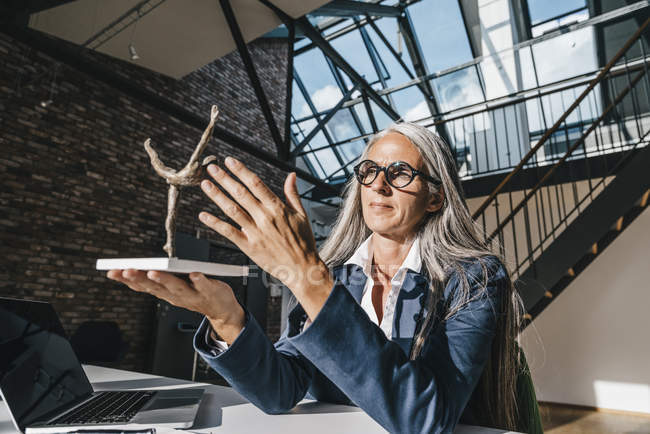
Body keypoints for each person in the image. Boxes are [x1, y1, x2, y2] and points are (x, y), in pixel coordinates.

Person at [108, 123, 542, 433]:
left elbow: (425, 419)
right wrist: (225, 317)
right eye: (369, 172)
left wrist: (307, 277)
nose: (379, 186)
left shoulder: (474, 277)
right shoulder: (335, 275)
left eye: (401, 174)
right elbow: (282, 389)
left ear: (435, 198)